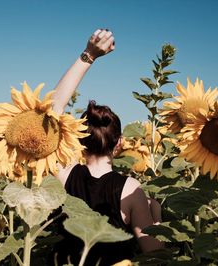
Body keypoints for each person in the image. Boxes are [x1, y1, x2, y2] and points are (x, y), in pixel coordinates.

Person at [51, 29, 163, 265]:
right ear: (120, 143)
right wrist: (156, 217)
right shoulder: (131, 190)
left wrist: (88, 55)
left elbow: (52, 110)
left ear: (80, 139)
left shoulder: (63, 175)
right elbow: (155, 254)